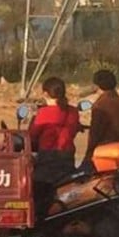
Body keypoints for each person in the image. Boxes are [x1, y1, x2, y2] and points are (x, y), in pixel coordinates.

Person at [29, 76, 81, 209]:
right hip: (67, 155)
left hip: (48, 156)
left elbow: (32, 135)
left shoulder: (43, 113)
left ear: (45, 93)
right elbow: (73, 131)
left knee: (38, 187)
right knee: (65, 186)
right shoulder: (73, 111)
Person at [85, 69, 119, 162]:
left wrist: (88, 155)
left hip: (106, 151)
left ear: (97, 86)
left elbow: (95, 134)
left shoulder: (100, 106)